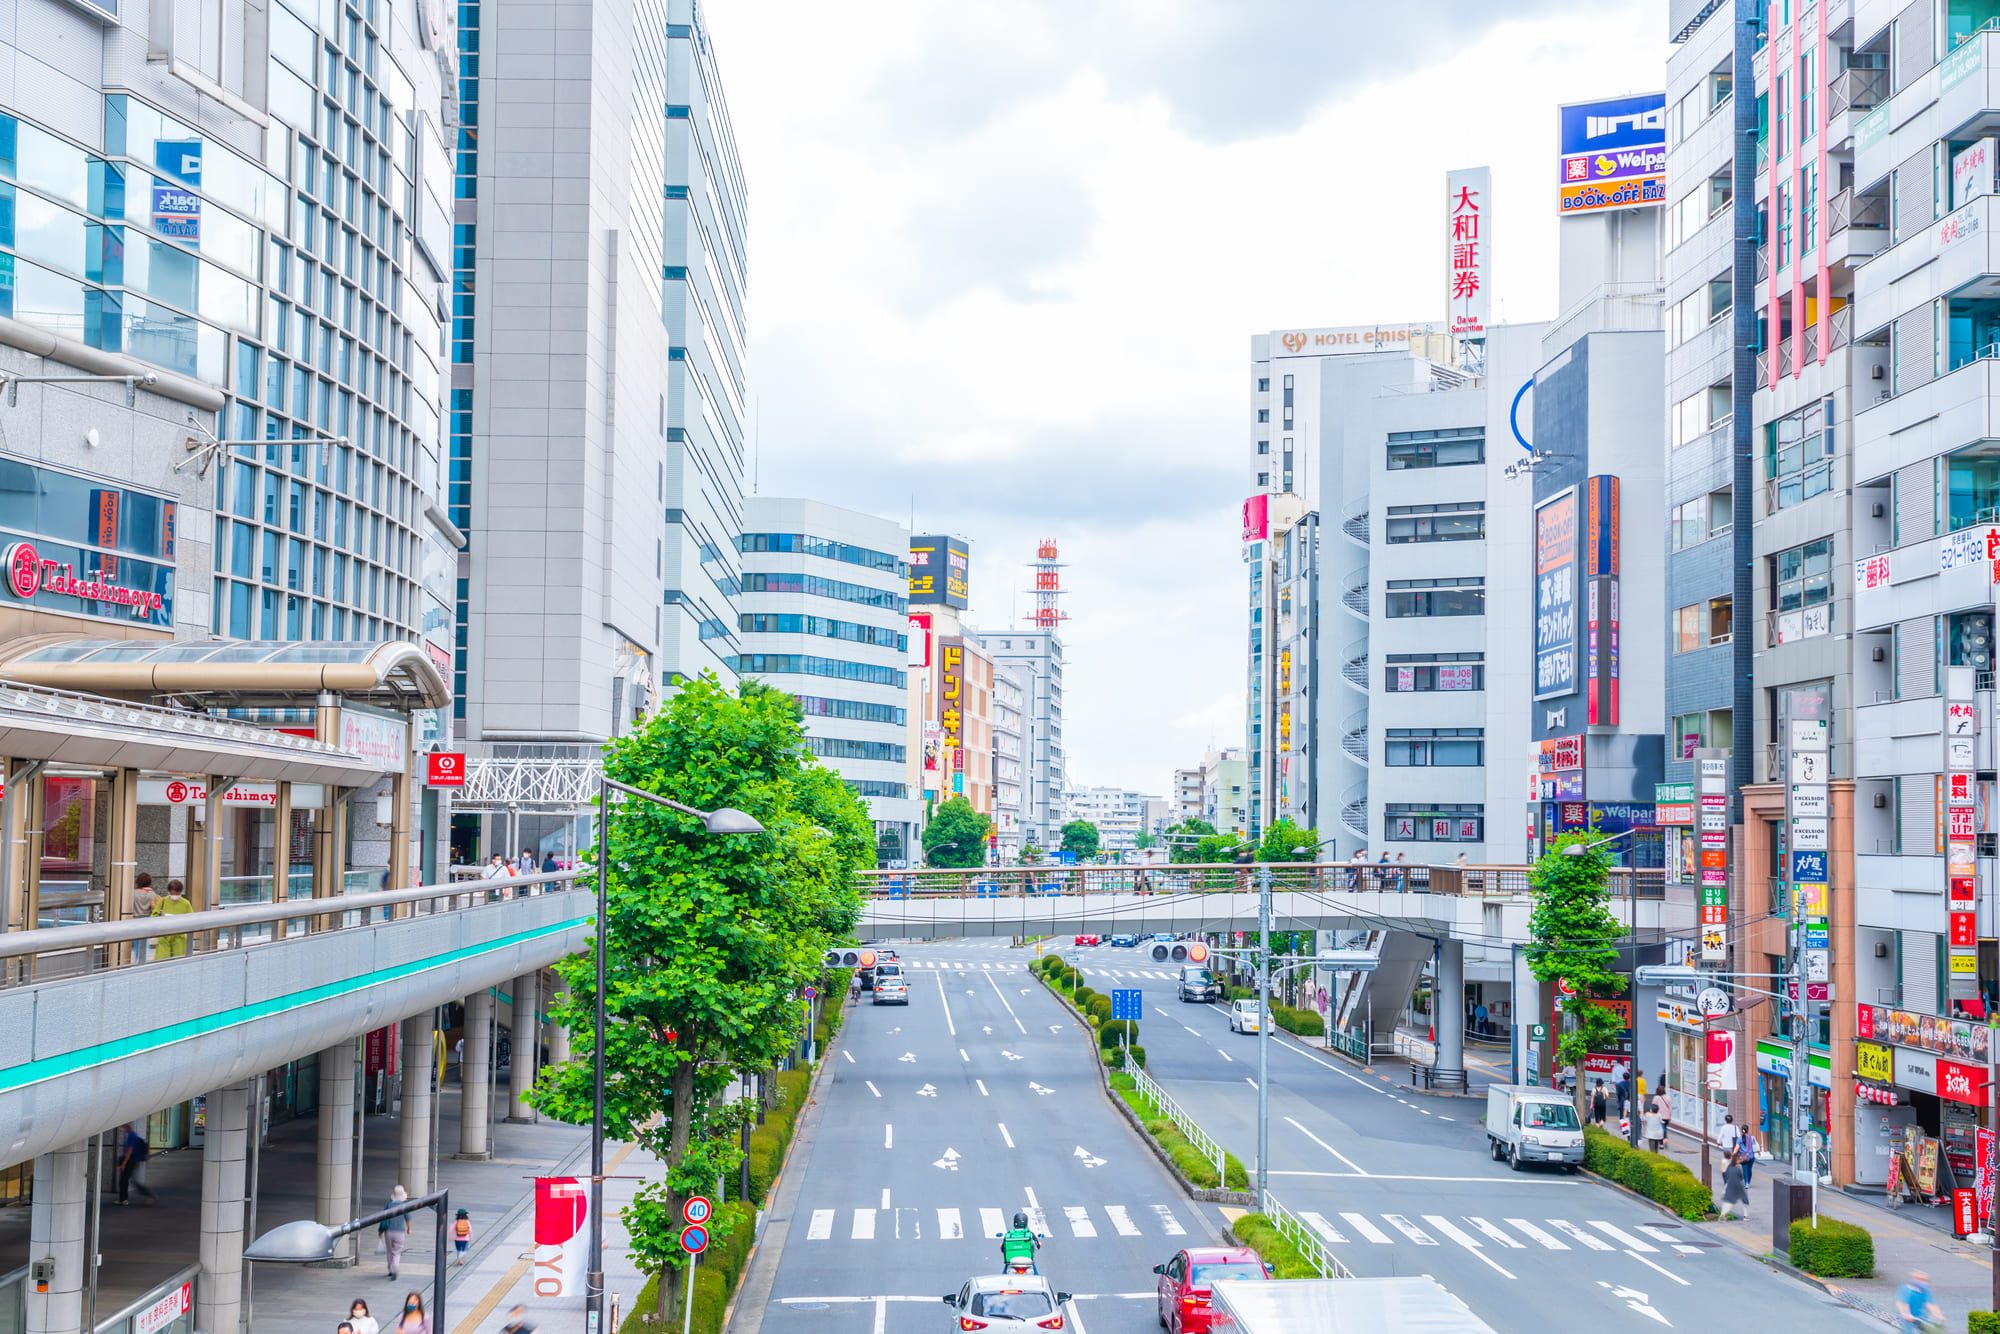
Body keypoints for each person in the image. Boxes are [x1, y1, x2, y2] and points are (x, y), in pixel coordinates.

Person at [152, 879, 193, 959]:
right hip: (164, 936)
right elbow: (154, 916)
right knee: (161, 961)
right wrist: (161, 916)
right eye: (172, 893)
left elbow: (191, 919)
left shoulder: (185, 903)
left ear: (180, 892)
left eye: (176, 893)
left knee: (178, 961)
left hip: (179, 937)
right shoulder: (163, 901)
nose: (174, 895)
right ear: (169, 892)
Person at [115, 1120, 153, 1204]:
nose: (122, 1128)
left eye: (123, 1126)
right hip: (133, 1160)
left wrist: (123, 1164)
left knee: (125, 1180)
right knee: (127, 1180)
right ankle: (124, 1199)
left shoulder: (131, 1136)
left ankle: (148, 1195)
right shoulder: (133, 1135)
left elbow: (129, 1151)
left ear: (127, 1127)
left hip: (131, 1161)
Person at [378, 1185, 410, 1280]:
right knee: (396, 1252)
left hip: (388, 1231)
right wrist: (409, 1228)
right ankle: (395, 1268)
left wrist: (381, 1231)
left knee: (389, 1251)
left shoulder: (388, 1205)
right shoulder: (404, 1206)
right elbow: (407, 1219)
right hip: (400, 1232)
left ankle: (390, 1270)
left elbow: (383, 1218)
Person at [1897, 1270, 1942, 1334]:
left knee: (1926, 1329)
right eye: (1922, 1280)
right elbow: (1903, 1303)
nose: (1925, 1283)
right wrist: (1906, 1314)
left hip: (1921, 1316)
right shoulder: (1908, 1290)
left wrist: (1937, 1314)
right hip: (1908, 1317)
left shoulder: (1925, 1291)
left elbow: (1929, 1303)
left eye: (1925, 1281)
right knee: (1908, 1331)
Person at [1720, 1137, 1751, 1218]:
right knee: (1744, 1200)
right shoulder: (1737, 1168)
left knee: (1729, 1201)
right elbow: (1741, 1177)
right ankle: (1746, 1216)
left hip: (1730, 1184)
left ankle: (1724, 1214)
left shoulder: (1729, 1167)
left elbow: (1725, 1174)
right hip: (1738, 1186)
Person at [130, 872, 157, 963]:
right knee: (145, 942)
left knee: (136, 942)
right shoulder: (152, 894)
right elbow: (154, 908)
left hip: (135, 920)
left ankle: (136, 960)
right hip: (147, 920)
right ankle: (142, 961)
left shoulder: (133, 893)